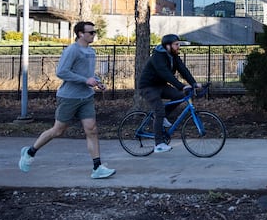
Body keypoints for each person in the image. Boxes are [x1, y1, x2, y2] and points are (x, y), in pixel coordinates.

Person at [18, 21, 115, 179]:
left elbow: (88, 74)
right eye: (90, 32)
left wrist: (97, 81)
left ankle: (97, 167)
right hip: (69, 97)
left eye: (94, 32)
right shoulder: (72, 50)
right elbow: (62, 72)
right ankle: (30, 152)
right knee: (58, 130)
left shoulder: (91, 52)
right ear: (80, 34)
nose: (93, 35)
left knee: (92, 129)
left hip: (86, 97)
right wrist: (85, 80)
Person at [139, 34, 201, 153]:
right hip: (148, 87)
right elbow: (165, 74)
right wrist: (181, 86)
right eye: (176, 44)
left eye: (178, 44)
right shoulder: (158, 57)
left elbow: (183, 69)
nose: (178, 47)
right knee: (159, 110)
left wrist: (193, 83)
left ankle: (161, 118)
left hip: (160, 86)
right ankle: (159, 144)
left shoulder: (173, 56)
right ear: (168, 46)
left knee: (180, 95)